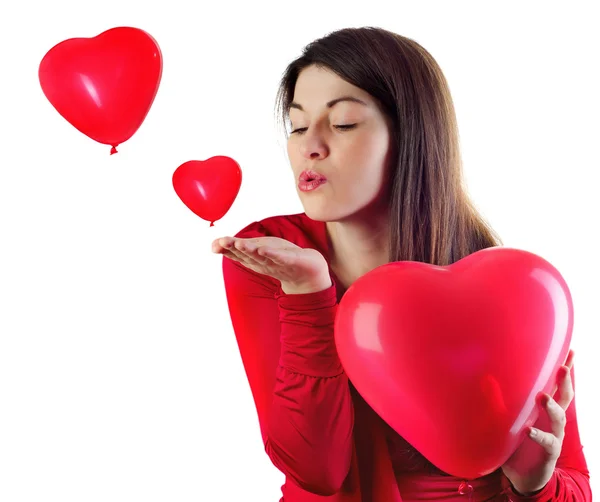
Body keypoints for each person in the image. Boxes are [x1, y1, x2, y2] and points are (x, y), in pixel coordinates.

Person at [211, 26, 591, 501]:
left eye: (343, 123)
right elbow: (316, 472)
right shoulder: (271, 254)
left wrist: (536, 485)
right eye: (298, 125)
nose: (311, 145)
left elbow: (574, 482)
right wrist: (308, 296)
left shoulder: (506, 281)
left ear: (411, 135)